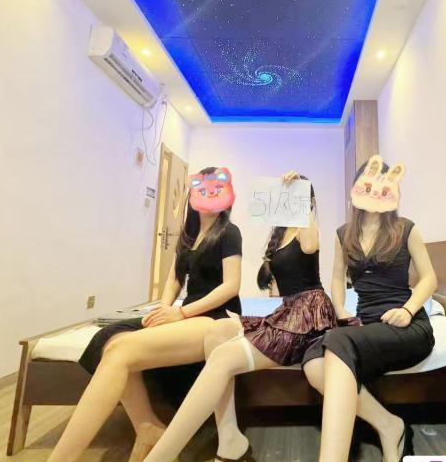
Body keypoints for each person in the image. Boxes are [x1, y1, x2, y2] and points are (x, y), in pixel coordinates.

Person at [47, 166, 243, 462]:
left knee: (122, 349)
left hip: (215, 316)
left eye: (216, 189)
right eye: (203, 188)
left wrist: (181, 313)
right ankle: (146, 426)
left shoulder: (229, 232)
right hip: (186, 313)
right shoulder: (189, 235)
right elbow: (174, 279)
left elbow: (231, 286)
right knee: (111, 339)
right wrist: (164, 309)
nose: (210, 194)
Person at [143, 171, 337, 462]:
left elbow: (309, 247)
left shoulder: (306, 228)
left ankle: (159, 458)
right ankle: (230, 439)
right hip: (288, 312)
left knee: (223, 356)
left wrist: (301, 193)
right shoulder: (279, 234)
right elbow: (276, 285)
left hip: (311, 313)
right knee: (218, 330)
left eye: (296, 195)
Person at [302, 156, 437, 462]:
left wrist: (408, 309)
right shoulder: (343, 234)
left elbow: (429, 278)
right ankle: (389, 425)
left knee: (337, 341)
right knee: (312, 359)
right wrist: (339, 308)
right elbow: (337, 277)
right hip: (368, 327)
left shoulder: (405, 229)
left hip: (408, 326)